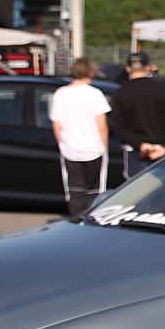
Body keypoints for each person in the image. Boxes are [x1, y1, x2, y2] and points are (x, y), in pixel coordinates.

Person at [51, 57, 111, 217]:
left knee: (74, 189)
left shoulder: (60, 94)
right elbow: (102, 125)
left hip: (70, 148)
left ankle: (76, 218)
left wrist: (62, 143)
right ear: (91, 72)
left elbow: (56, 124)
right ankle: (91, 218)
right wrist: (105, 146)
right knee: (95, 190)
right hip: (94, 147)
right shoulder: (95, 94)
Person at [108, 50, 165, 182]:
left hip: (134, 150)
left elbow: (118, 126)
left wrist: (140, 144)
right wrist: (163, 145)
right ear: (148, 67)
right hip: (160, 150)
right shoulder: (162, 90)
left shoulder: (121, 93)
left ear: (128, 69)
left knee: (135, 189)